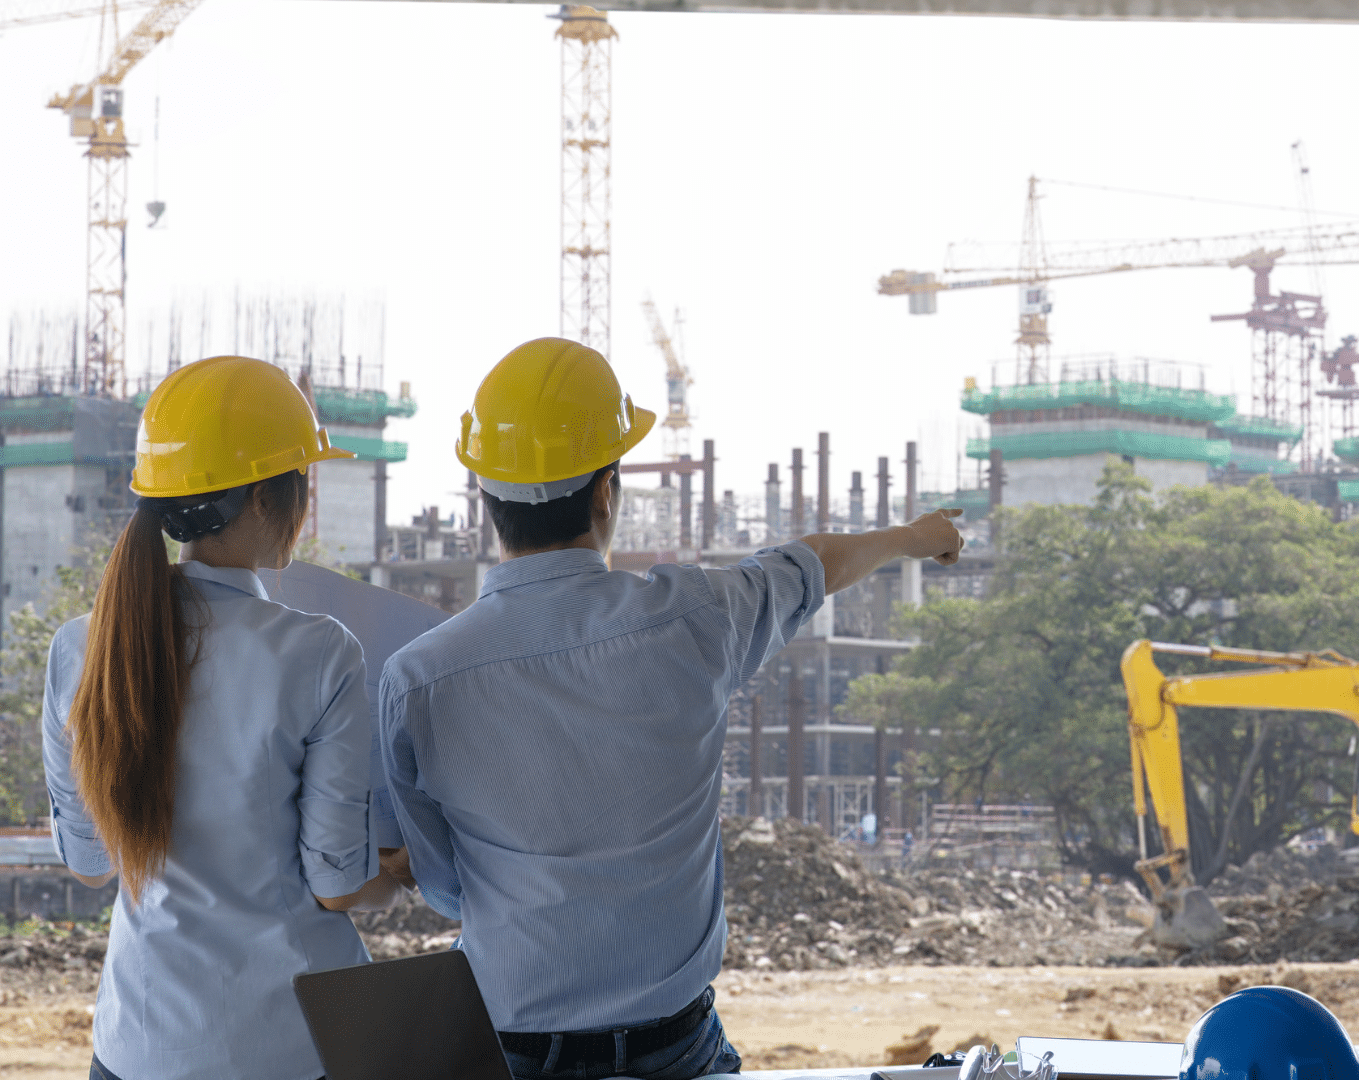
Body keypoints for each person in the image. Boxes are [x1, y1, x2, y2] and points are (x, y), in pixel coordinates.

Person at [381, 337, 964, 1080]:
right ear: (605, 491)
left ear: (486, 496)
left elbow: (444, 887)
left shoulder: (417, 680)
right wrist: (916, 537)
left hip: (514, 1050)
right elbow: (813, 564)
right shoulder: (697, 615)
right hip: (676, 1051)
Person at [41, 356, 409, 1080]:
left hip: (137, 1046)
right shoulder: (318, 653)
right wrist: (397, 872)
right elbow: (336, 883)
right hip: (290, 1047)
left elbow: (87, 864)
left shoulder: (82, 647)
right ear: (271, 502)